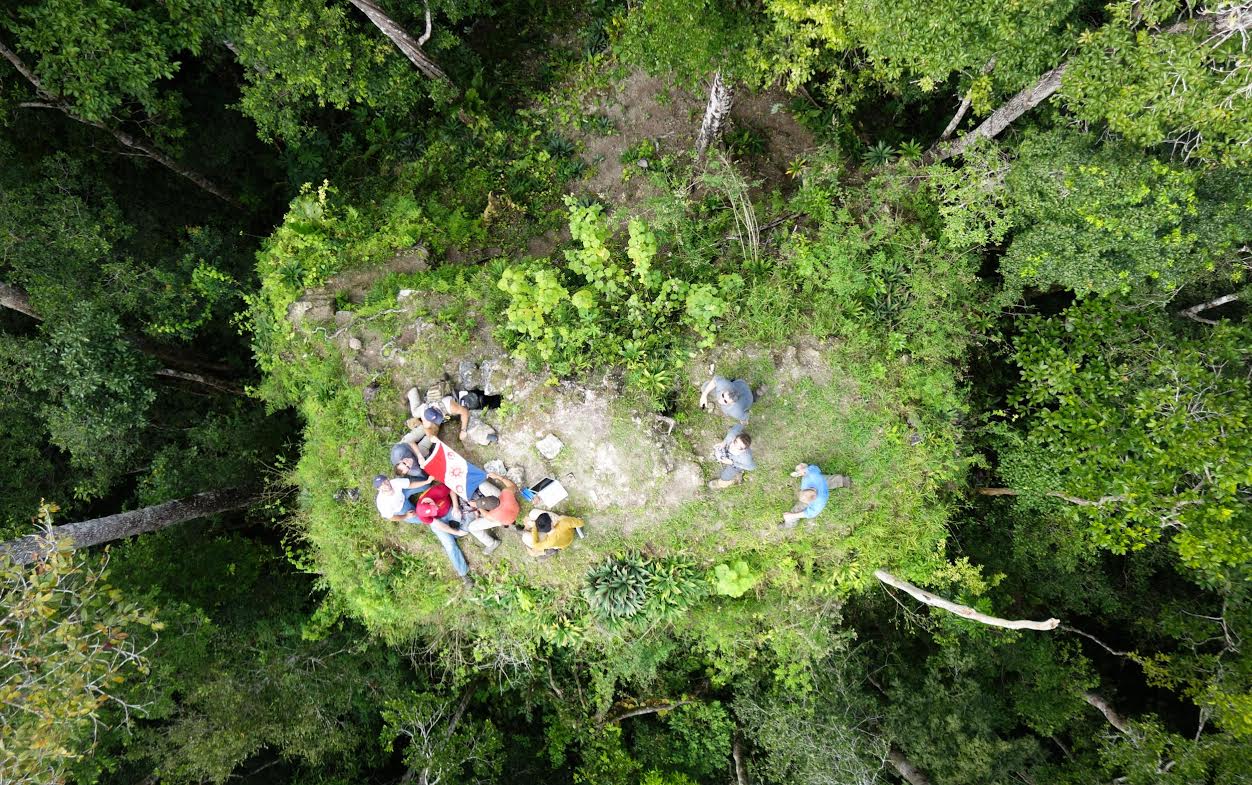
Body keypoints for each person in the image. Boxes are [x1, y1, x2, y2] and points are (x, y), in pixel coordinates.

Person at [416, 482, 501, 555]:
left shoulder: (437, 491)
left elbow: (452, 489)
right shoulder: (421, 514)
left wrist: (457, 507)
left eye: (435, 507)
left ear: (428, 502)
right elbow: (438, 524)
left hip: (466, 506)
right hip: (470, 506)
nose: (437, 509)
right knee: (458, 529)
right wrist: (456, 532)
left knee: (469, 527)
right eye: (434, 511)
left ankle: (490, 542)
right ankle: (455, 535)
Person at [780, 464, 851, 528]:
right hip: (821, 482)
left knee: (797, 510)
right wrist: (805, 470)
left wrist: (792, 515)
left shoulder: (819, 502)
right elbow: (815, 468)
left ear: (812, 500)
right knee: (827, 480)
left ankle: (789, 524)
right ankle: (843, 481)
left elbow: (810, 513)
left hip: (821, 489)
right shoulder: (814, 477)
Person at [465, 472, 521, 539]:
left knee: (471, 527)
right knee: (482, 485)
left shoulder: (492, 516)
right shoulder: (506, 493)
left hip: (504, 520)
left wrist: (477, 506)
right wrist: (498, 477)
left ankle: (492, 543)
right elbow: (514, 487)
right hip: (511, 506)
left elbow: (486, 515)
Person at [708, 424, 755, 489]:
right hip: (727, 451)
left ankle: (722, 483)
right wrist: (724, 442)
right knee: (719, 451)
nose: (734, 447)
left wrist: (733, 463)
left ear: (743, 450)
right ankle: (718, 457)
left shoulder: (745, 458)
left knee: (725, 476)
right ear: (735, 438)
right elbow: (739, 425)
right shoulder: (732, 434)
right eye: (735, 442)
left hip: (736, 463)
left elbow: (752, 467)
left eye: (740, 447)